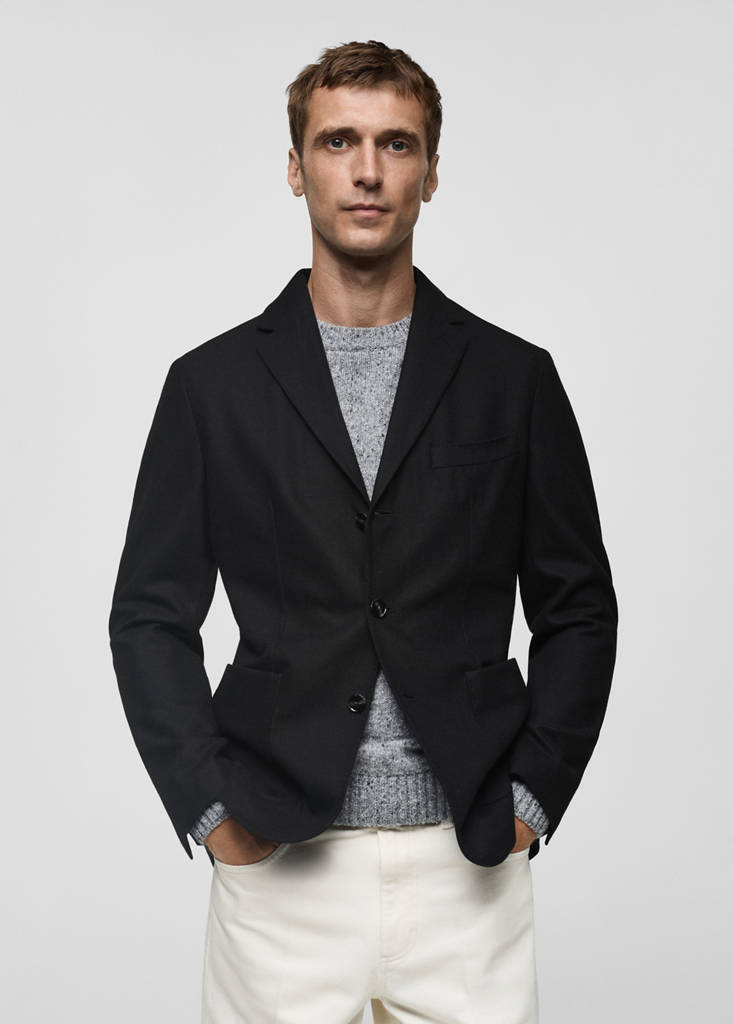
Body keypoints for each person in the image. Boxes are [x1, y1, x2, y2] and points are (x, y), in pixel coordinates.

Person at [109, 39, 618, 1024]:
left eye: (396, 143)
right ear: (295, 168)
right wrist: (210, 812)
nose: (368, 170)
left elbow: (578, 610)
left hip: (467, 864)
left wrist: (532, 798)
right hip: (279, 865)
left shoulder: (513, 381)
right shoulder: (211, 388)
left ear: (430, 171)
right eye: (338, 141)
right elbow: (147, 618)